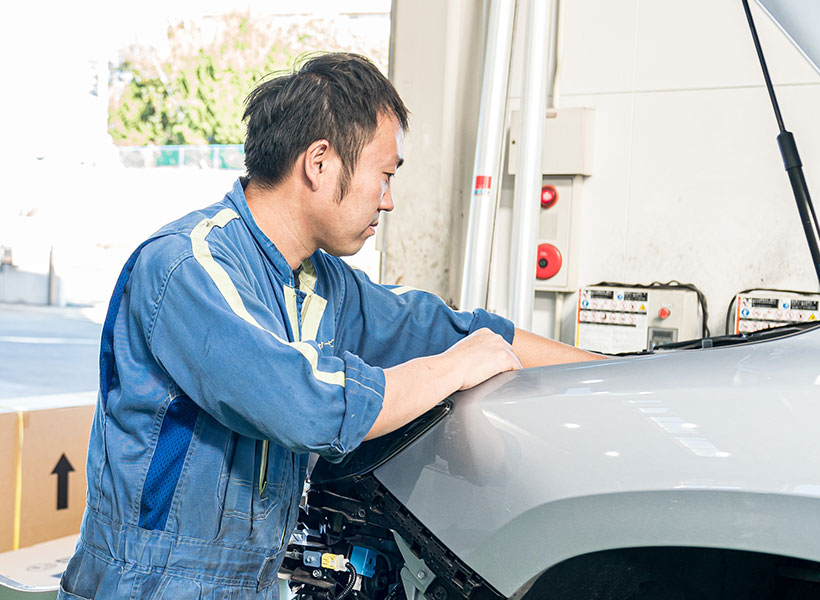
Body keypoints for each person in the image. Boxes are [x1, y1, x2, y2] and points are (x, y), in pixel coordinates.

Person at [58, 52, 599, 599]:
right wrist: (453, 368)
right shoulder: (186, 267)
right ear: (319, 163)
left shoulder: (320, 283)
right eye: (385, 176)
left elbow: (445, 329)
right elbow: (302, 402)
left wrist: (618, 373)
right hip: (145, 586)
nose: (388, 201)